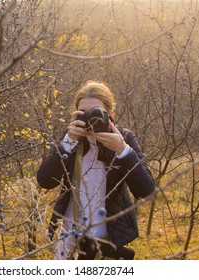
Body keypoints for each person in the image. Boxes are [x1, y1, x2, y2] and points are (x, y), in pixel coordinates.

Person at [37, 81, 155, 260]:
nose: (90, 119)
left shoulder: (124, 138)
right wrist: (67, 142)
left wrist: (122, 150)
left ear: (111, 114)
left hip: (106, 238)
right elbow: (45, 181)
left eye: (96, 112)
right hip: (70, 236)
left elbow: (147, 191)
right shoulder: (71, 138)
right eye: (83, 113)